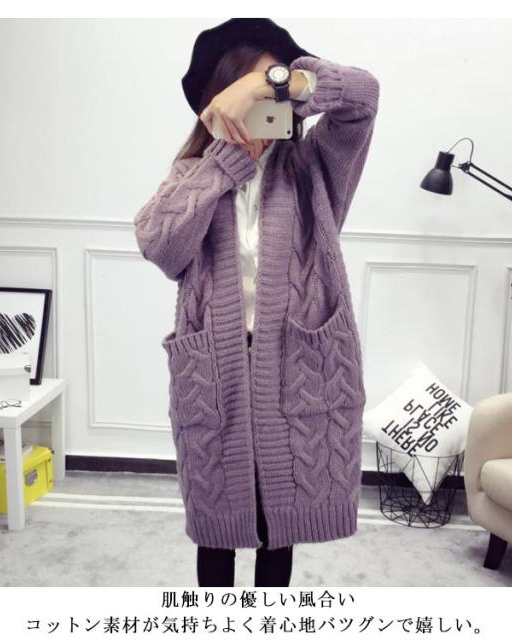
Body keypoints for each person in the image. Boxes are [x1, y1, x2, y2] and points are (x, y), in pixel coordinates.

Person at [134, 18, 380, 587]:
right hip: (213, 373)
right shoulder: (193, 173)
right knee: (216, 528)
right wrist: (223, 162)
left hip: (297, 368)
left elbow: (364, 96)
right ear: (218, 98)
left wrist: (277, 81)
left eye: (276, 86)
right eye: (247, 86)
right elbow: (160, 245)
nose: (268, 98)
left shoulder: (316, 166)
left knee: (279, 523)